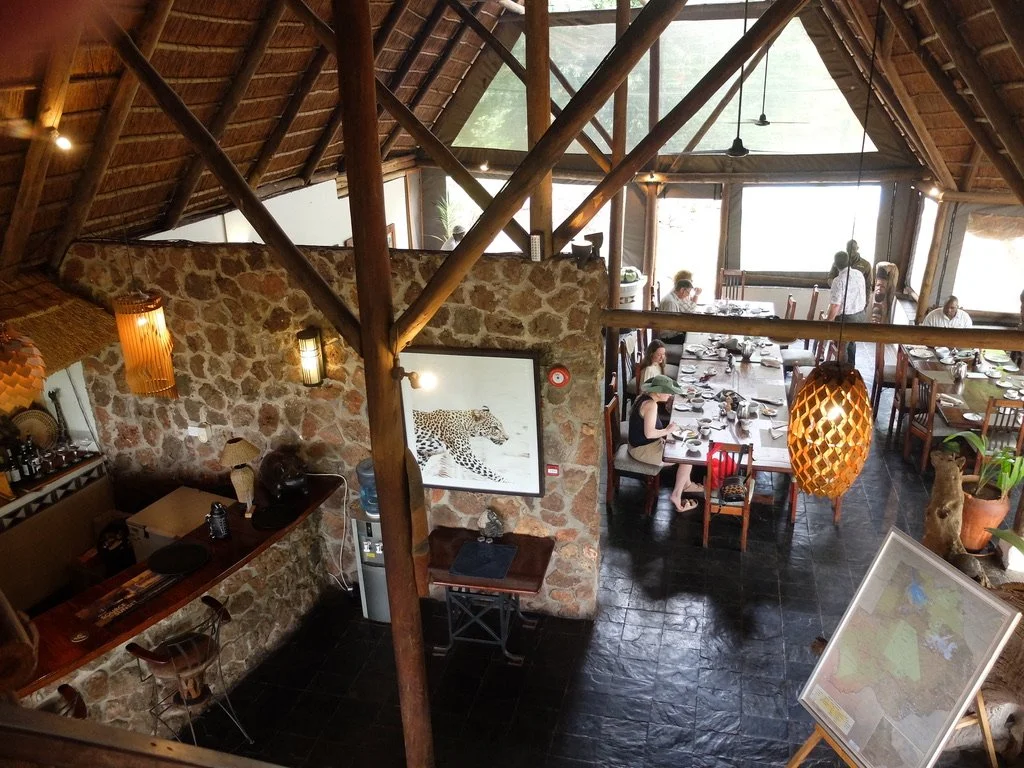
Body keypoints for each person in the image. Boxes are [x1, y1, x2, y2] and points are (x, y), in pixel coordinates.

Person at [628, 375, 703, 513]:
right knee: (688, 456)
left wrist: (665, 436)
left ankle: (687, 484)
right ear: (657, 392)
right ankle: (676, 495)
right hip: (642, 450)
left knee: (683, 447)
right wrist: (667, 430)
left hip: (639, 445)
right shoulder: (651, 405)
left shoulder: (643, 398)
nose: (670, 395)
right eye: (667, 391)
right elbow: (649, 434)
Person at [827, 250, 867, 366]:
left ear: (835, 264)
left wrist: (828, 322)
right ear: (849, 261)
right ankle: (851, 369)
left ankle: (842, 373)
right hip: (860, 315)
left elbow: (835, 305)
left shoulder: (838, 281)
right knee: (852, 343)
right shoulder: (859, 274)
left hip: (846, 318)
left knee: (841, 347)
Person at [658, 277, 701, 343]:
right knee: (693, 339)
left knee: (694, 334)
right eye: (688, 292)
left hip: (674, 332)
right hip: (669, 337)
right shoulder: (670, 302)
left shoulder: (673, 297)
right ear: (682, 290)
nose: (688, 295)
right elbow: (671, 324)